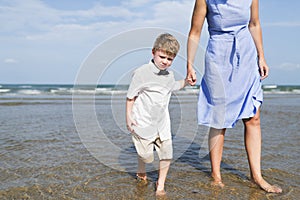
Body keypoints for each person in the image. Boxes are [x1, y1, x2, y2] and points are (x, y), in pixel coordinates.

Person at [186, 0, 282, 193]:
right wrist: (189, 64)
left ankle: (257, 177)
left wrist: (261, 56)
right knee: (219, 119)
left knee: (253, 117)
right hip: (219, 57)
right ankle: (216, 175)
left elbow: (254, 24)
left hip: (246, 55)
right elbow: (195, 32)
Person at [126, 33, 188, 196]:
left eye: (170, 59)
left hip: (163, 124)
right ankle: (141, 169)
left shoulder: (169, 75)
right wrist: (128, 117)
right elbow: (130, 96)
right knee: (146, 156)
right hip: (143, 122)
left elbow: (173, 86)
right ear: (153, 52)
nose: (165, 62)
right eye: (162, 57)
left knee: (167, 154)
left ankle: (160, 185)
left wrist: (186, 81)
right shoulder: (141, 73)